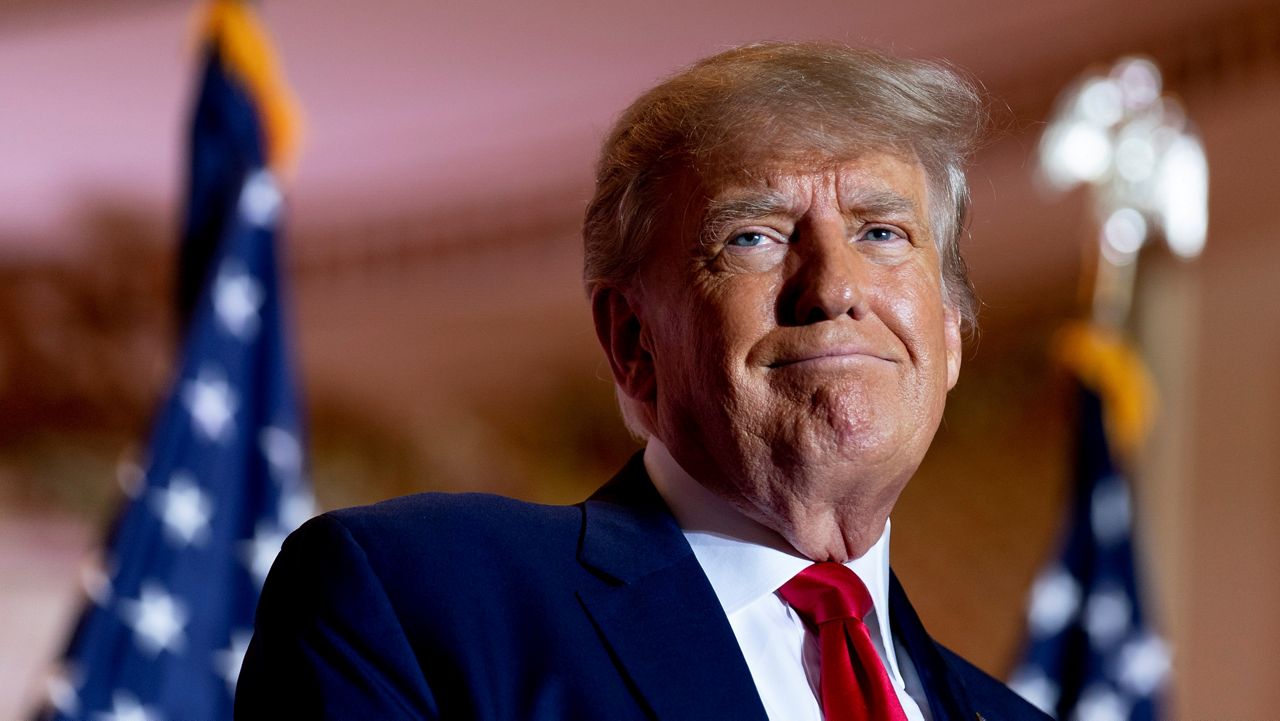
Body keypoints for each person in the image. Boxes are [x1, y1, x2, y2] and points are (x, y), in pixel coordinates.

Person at [236, 42, 1049, 720]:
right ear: (631, 341)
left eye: (882, 231)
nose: (833, 287)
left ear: (948, 335)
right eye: (754, 237)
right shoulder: (417, 600)